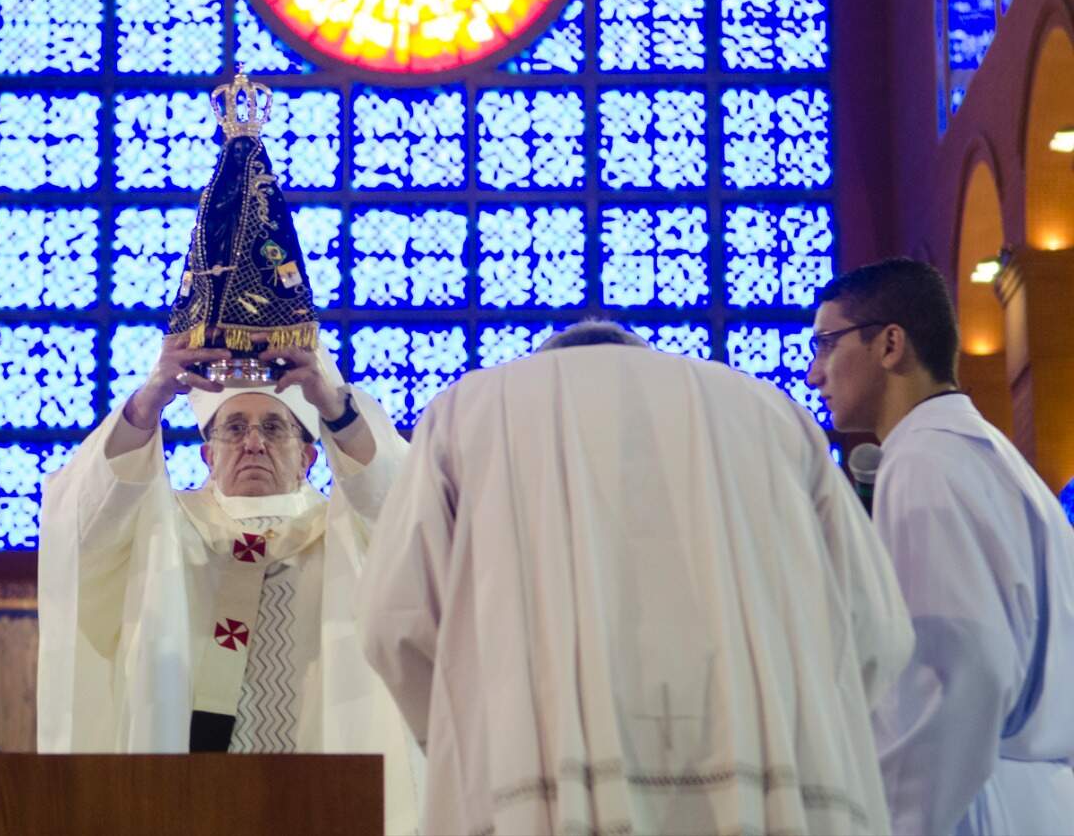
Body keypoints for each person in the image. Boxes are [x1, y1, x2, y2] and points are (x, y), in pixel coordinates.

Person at [359, 321, 913, 836]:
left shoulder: (470, 409)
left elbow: (395, 623)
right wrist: (811, 727)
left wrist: (474, 735)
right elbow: (876, 627)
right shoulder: (771, 411)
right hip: (766, 792)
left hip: (539, 788)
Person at [36, 334, 422, 834]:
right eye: (234, 428)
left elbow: (414, 513)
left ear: (309, 457)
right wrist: (149, 398)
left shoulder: (353, 533)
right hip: (184, 801)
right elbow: (77, 531)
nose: (253, 443)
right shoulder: (159, 532)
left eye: (275, 428)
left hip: (325, 794)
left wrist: (337, 409)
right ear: (206, 456)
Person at [806, 257, 1074, 835]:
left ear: (890, 344)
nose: (814, 373)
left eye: (827, 343)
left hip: (974, 802)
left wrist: (892, 822)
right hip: (1040, 794)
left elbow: (956, 672)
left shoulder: (923, 464)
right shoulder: (991, 455)